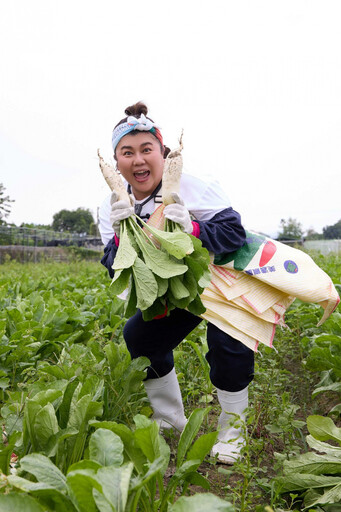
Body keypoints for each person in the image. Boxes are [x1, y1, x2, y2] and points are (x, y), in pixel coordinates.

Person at [98, 101, 254, 464]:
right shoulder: (111, 204)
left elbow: (235, 234)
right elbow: (113, 266)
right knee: (140, 336)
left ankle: (234, 433)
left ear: (162, 152)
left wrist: (193, 228)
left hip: (223, 278)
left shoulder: (196, 187)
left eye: (146, 149)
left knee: (227, 342)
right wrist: (122, 234)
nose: (138, 160)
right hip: (179, 287)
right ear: (116, 162)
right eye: (127, 152)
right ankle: (171, 422)